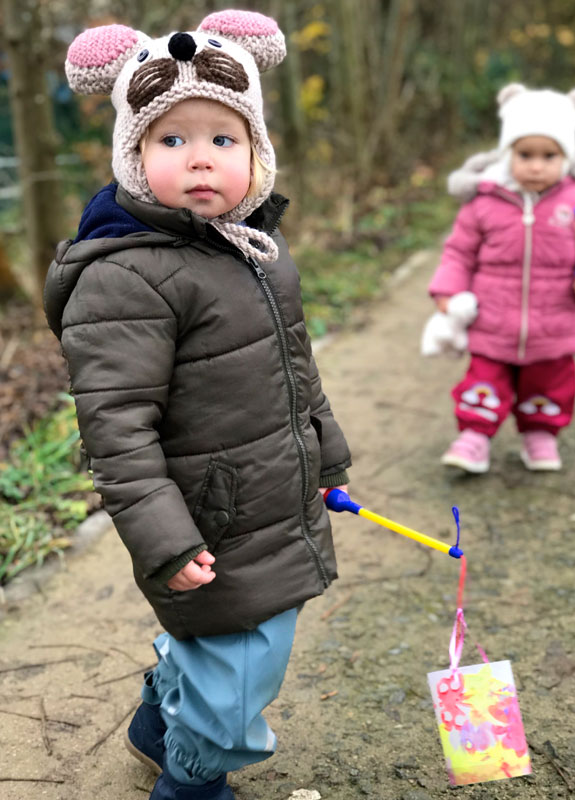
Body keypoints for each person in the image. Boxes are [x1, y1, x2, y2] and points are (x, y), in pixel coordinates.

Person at [44, 11, 351, 800]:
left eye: (224, 139)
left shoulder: (253, 250)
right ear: (134, 157)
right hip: (206, 524)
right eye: (171, 140)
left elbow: (293, 370)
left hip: (267, 499)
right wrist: (164, 542)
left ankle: (155, 725)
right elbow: (116, 428)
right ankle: (191, 782)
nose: (201, 159)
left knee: (230, 650)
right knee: (238, 680)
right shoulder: (128, 277)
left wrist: (327, 456)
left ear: (257, 154)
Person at [428, 83, 575, 474]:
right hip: (493, 321)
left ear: (567, 156)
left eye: (549, 155)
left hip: (556, 323)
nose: (536, 165)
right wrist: (447, 289)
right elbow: (459, 251)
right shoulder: (485, 203)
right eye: (525, 154)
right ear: (508, 152)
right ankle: (475, 436)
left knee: (550, 385)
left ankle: (540, 434)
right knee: (484, 379)